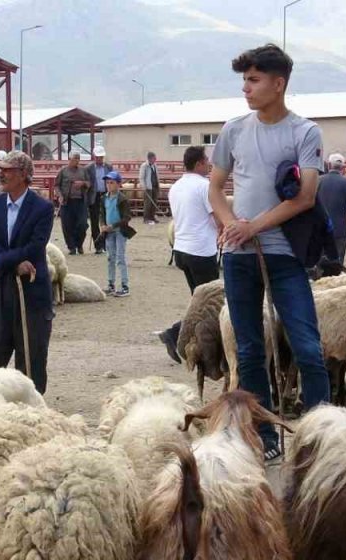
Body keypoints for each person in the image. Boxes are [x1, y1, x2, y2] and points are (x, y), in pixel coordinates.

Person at [208, 43, 331, 461]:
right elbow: (215, 187)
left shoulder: (305, 132)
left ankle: (319, 439)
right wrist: (229, 224)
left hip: (284, 254)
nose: (246, 87)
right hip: (241, 258)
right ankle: (265, 438)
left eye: (254, 79)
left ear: (278, 85)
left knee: (308, 348)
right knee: (248, 351)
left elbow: (307, 197)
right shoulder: (234, 130)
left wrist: (250, 226)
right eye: (244, 79)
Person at [0, 150, 54, 393]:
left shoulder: (42, 208)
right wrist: (11, 264)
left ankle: (32, 411)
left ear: (23, 174)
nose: (1, 174)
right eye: (0, 169)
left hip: (30, 292)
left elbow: (35, 246)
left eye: (7, 170)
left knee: (31, 356)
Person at [157, 145, 219, 361]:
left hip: (182, 248)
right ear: (199, 163)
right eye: (206, 161)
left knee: (199, 301)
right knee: (210, 302)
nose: (209, 164)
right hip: (201, 250)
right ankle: (175, 334)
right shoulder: (204, 186)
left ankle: (187, 339)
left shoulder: (176, 187)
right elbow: (216, 216)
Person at [100, 171, 136, 296]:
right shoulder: (104, 198)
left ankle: (125, 286)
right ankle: (111, 284)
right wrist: (103, 225)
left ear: (118, 184)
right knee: (110, 258)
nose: (109, 185)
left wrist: (113, 226)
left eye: (112, 183)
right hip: (109, 232)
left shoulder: (122, 199)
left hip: (120, 231)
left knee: (120, 257)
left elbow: (127, 217)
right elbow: (102, 214)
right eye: (107, 183)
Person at [316, 153, 346, 261]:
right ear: (343, 167)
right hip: (340, 229)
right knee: (337, 262)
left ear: (329, 165)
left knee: (320, 262)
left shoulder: (318, 180)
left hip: (320, 227)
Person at [53, 150, 91, 254]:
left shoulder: (83, 171)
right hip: (67, 201)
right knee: (67, 225)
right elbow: (56, 185)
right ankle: (71, 247)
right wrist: (59, 195)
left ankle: (79, 244)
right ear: (69, 159)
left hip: (80, 201)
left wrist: (82, 183)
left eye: (78, 158)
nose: (77, 161)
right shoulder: (63, 171)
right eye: (75, 159)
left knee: (82, 224)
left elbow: (89, 183)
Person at [85, 146, 114, 253]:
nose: (99, 159)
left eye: (101, 157)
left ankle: (106, 245)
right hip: (94, 197)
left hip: (106, 196)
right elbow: (86, 182)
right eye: (97, 157)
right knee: (94, 221)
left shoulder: (109, 167)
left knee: (107, 220)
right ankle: (98, 246)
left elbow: (113, 180)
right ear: (94, 157)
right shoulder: (88, 168)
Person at [138, 151, 161, 224]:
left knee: (154, 202)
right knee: (148, 203)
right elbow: (141, 177)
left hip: (155, 186)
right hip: (148, 187)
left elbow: (156, 175)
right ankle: (146, 218)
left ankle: (152, 217)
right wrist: (143, 186)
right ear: (150, 158)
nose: (155, 159)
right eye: (154, 158)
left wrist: (158, 185)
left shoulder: (155, 165)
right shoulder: (144, 166)